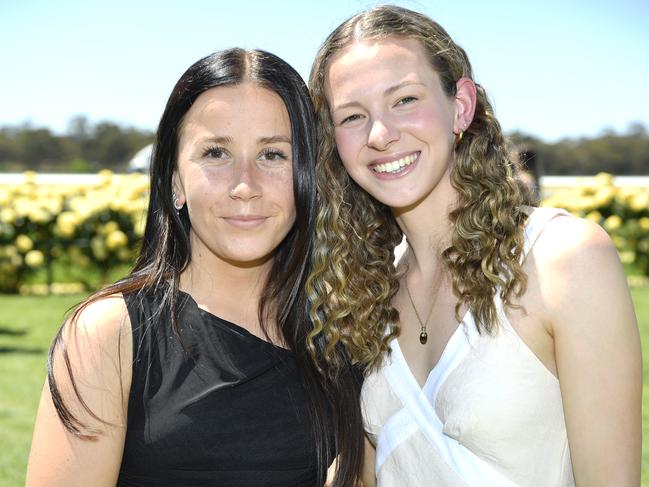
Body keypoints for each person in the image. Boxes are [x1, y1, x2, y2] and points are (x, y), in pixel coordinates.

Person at [306, 5, 641, 486]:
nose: (381, 135)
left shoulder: (562, 258)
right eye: (353, 116)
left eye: (404, 100)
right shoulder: (364, 292)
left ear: (460, 105)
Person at [26, 48, 364, 487]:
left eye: (273, 155)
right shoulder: (110, 335)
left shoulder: (344, 333)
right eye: (216, 153)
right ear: (174, 182)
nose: (246, 186)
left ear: (308, 174)